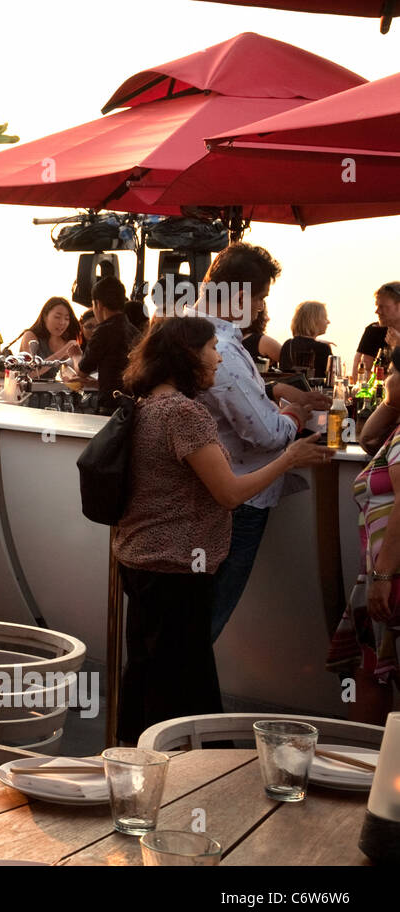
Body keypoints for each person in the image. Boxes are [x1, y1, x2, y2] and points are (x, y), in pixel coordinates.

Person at [114, 317, 332, 742]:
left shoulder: (146, 405)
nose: (219, 356)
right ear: (187, 356)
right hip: (178, 567)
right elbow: (229, 494)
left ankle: (137, 764)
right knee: (185, 687)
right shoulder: (185, 414)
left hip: (142, 559)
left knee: (148, 671)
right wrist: (288, 459)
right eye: (212, 347)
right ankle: (188, 774)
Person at [191, 242, 330, 643]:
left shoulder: (182, 331)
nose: (260, 308)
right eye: (261, 298)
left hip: (203, 495)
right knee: (206, 622)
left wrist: (278, 394)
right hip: (240, 502)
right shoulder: (221, 349)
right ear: (237, 297)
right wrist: (296, 415)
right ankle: (181, 702)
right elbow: (264, 434)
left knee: (191, 620)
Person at [328, 373, 400, 725]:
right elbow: (369, 437)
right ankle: (370, 770)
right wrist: (390, 400)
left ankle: (367, 770)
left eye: (395, 373)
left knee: (372, 672)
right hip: (385, 567)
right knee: (372, 668)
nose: (388, 378)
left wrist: (383, 574)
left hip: (393, 571)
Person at [77, 278, 141, 413]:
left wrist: (75, 354)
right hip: (132, 407)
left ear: (98, 304)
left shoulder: (103, 331)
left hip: (111, 409)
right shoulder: (133, 331)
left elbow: (82, 371)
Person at [19, 296, 82, 376]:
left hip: (55, 388)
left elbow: (76, 374)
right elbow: (31, 372)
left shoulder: (65, 340)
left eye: (66, 319)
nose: (62, 322)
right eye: (57, 317)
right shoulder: (30, 336)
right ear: (45, 317)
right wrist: (63, 350)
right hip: (30, 387)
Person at [354, 283, 400, 380]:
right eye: (377, 306)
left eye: (382, 307)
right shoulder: (374, 331)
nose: (377, 311)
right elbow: (360, 374)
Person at [279, 301, 333, 379]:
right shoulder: (323, 348)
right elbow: (331, 380)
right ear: (314, 320)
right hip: (314, 390)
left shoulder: (287, 345)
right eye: (325, 318)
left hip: (289, 390)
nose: (328, 322)